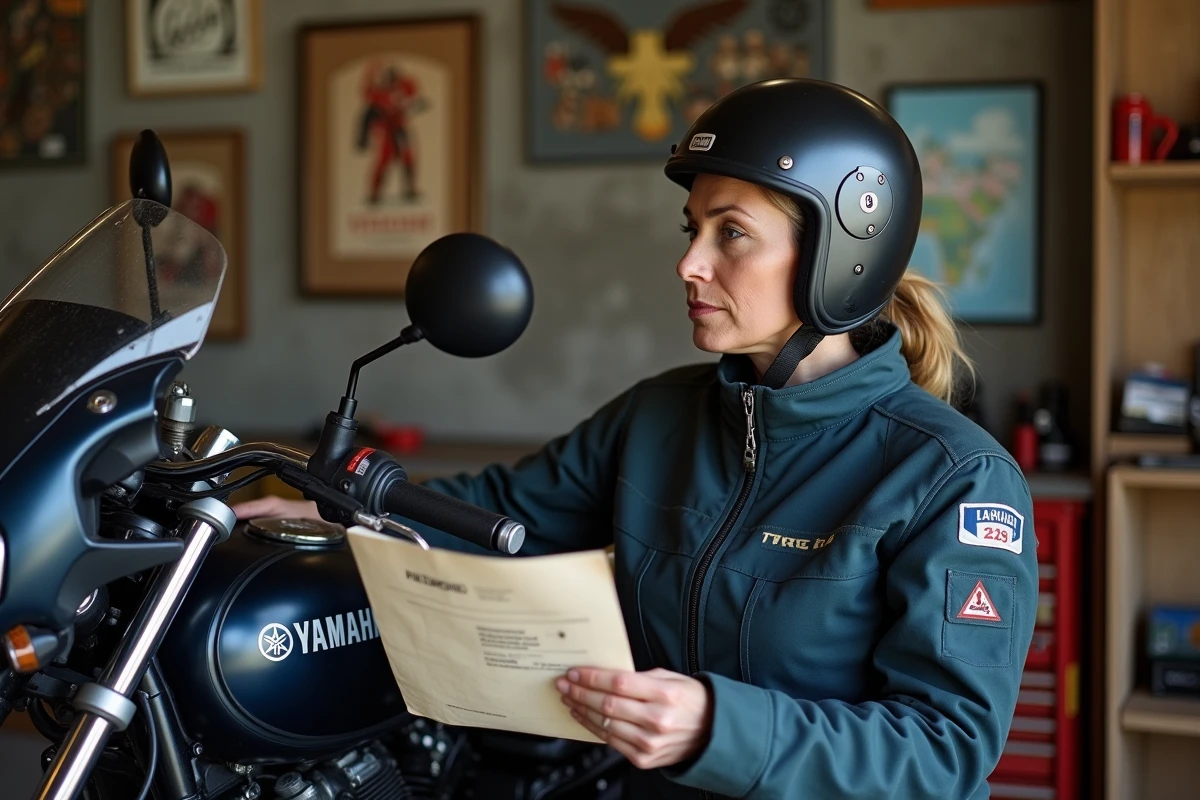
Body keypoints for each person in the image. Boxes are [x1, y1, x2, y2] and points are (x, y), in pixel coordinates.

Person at [234, 79, 1038, 799]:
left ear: (841, 256)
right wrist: (330, 523)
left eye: (732, 233)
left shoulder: (955, 478)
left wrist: (718, 729)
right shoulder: (658, 417)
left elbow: (945, 750)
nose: (689, 263)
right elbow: (494, 517)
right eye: (692, 230)